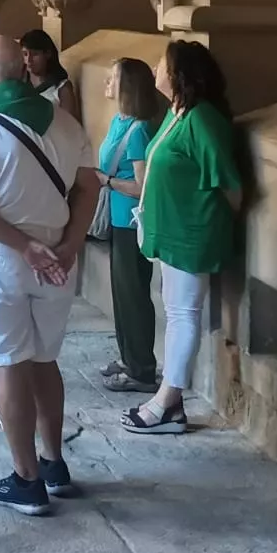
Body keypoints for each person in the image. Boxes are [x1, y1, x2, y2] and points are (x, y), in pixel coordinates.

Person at [0, 36, 99, 515]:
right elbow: (89, 187)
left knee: (10, 365)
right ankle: (54, 462)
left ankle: (25, 478)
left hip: (1, 261)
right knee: (44, 361)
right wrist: (70, 245)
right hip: (57, 259)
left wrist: (23, 246)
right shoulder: (65, 122)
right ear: (23, 70)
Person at [124, 39, 240, 437]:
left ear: (179, 75)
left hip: (191, 234)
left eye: (163, 63)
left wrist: (212, 222)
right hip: (173, 232)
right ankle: (168, 400)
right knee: (175, 313)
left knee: (184, 315)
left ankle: (168, 402)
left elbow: (229, 185)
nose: (156, 67)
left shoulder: (202, 119)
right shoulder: (178, 113)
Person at [99, 57, 165, 395]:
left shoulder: (138, 130)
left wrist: (108, 182)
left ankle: (142, 368)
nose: (107, 83)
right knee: (122, 295)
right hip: (117, 217)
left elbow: (143, 186)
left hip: (130, 220)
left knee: (134, 295)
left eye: (113, 78)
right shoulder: (119, 121)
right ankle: (129, 357)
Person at [21, 28, 82, 118]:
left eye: (35, 54)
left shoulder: (61, 88)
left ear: (48, 54)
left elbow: (69, 122)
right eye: (25, 54)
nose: (28, 60)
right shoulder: (19, 83)